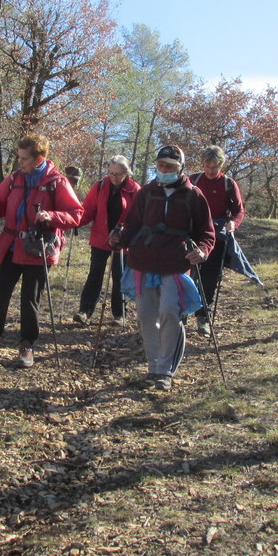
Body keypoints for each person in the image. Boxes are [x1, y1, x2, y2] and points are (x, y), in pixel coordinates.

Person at [0, 133, 83, 368]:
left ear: (39, 159)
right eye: (19, 157)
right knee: (0, 296)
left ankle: (27, 345)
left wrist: (52, 216)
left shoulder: (57, 182)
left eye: (24, 158)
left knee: (30, 300)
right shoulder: (15, 178)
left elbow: (76, 214)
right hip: (11, 247)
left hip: (38, 248)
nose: (20, 162)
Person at [113, 145, 215, 391]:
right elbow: (133, 224)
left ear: (180, 168)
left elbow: (207, 232)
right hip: (143, 261)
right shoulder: (147, 192)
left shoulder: (194, 195)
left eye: (169, 166)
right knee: (147, 316)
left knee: (170, 311)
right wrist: (119, 239)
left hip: (176, 263)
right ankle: (154, 367)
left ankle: (165, 370)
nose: (163, 170)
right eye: (160, 165)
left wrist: (202, 250)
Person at [73, 156, 141, 327]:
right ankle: (85, 311)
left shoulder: (135, 190)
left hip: (122, 240)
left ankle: (120, 314)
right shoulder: (101, 186)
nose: (114, 177)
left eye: (118, 174)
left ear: (126, 173)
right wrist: (75, 221)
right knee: (95, 274)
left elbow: (138, 217)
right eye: (111, 173)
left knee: (120, 276)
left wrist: (124, 232)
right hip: (100, 236)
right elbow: (88, 209)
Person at [189, 145, 245, 337]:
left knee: (210, 280)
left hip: (218, 240)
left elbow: (239, 211)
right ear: (202, 164)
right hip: (193, 238)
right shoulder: (193, 180)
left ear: (221, 165)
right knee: (188, 277)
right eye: (207, 166)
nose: (211, 171)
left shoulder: (228, 184)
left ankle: (203, 316)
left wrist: (233, 224)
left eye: (215, 167)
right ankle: (181, 314)